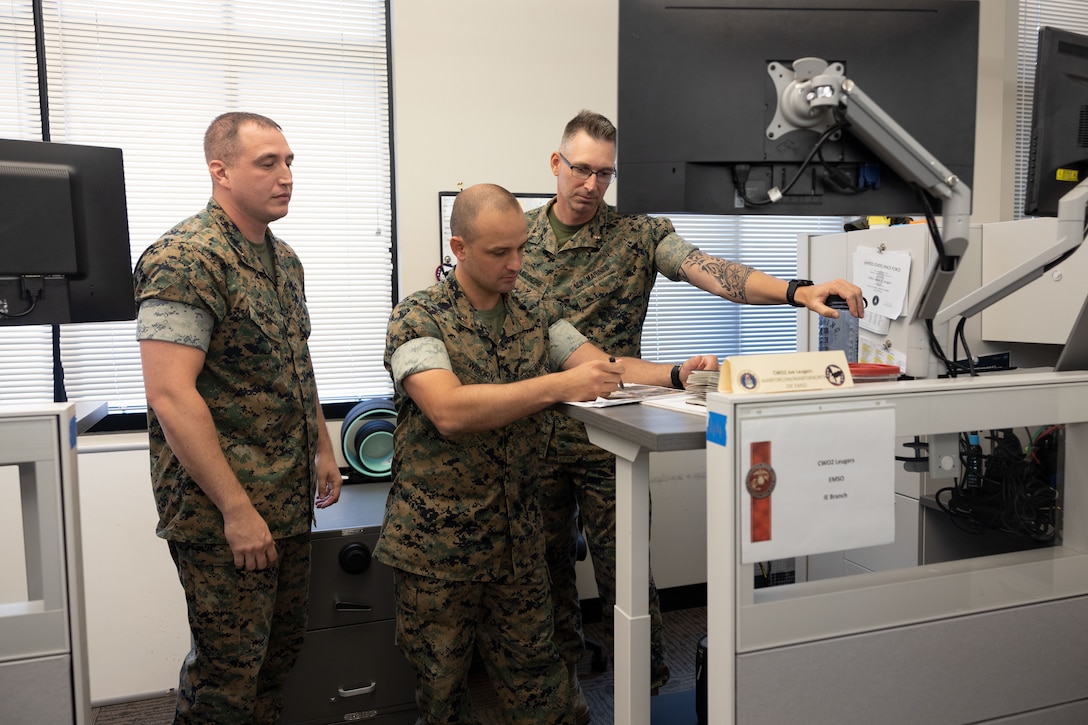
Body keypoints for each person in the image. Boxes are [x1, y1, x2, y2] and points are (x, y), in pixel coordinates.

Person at [516, 109, 866, 701]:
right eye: (581, 169)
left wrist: (797, 290)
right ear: (556, 163)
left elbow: (715, 273)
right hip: (534, 427)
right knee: (542, 574)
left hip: (610, 434)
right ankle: (561, 695)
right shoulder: (517, 237)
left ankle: (646, 691)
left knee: (627, 572)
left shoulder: (638, 233)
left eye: (605, 174)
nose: (592, 185)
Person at [375, 183, 715, 725]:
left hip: (518, 544)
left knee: (548, 701)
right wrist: (557, 385)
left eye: (521, 248)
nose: (516, 263)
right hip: (438, 552)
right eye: (500, 252)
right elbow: (449, 410)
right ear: (459, 249)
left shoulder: (534, 311)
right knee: (443, 703)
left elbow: (600, 367)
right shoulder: (418, 317)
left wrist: (674, 374)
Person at [134, 111, 342, 724]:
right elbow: (170, 394)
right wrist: (236, 509)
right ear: (220, 171)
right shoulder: (184, 259)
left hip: (286, 498)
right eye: (267, 163)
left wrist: (322, 447)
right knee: (227, 678)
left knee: (277, 661)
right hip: (221, 509)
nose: (286, 176)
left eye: (289, 162)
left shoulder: (285, 261)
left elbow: (295, 363)